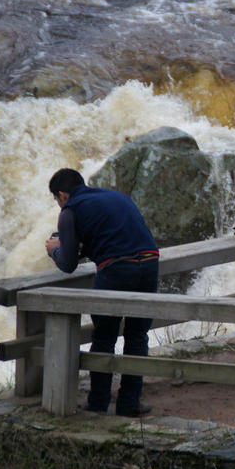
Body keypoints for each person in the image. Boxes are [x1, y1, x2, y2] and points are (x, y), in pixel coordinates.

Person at [44, 168, 159, 417]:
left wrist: (55, 249)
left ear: (62, 195)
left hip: (117, 269)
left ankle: (98, 403)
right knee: (138, 335)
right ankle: (130, 404)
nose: (58, 204)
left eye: (56, 199)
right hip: (150, 262)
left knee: (104, 337)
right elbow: (109, 236)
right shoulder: (116, 197)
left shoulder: (70, 212)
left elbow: (68, 264)